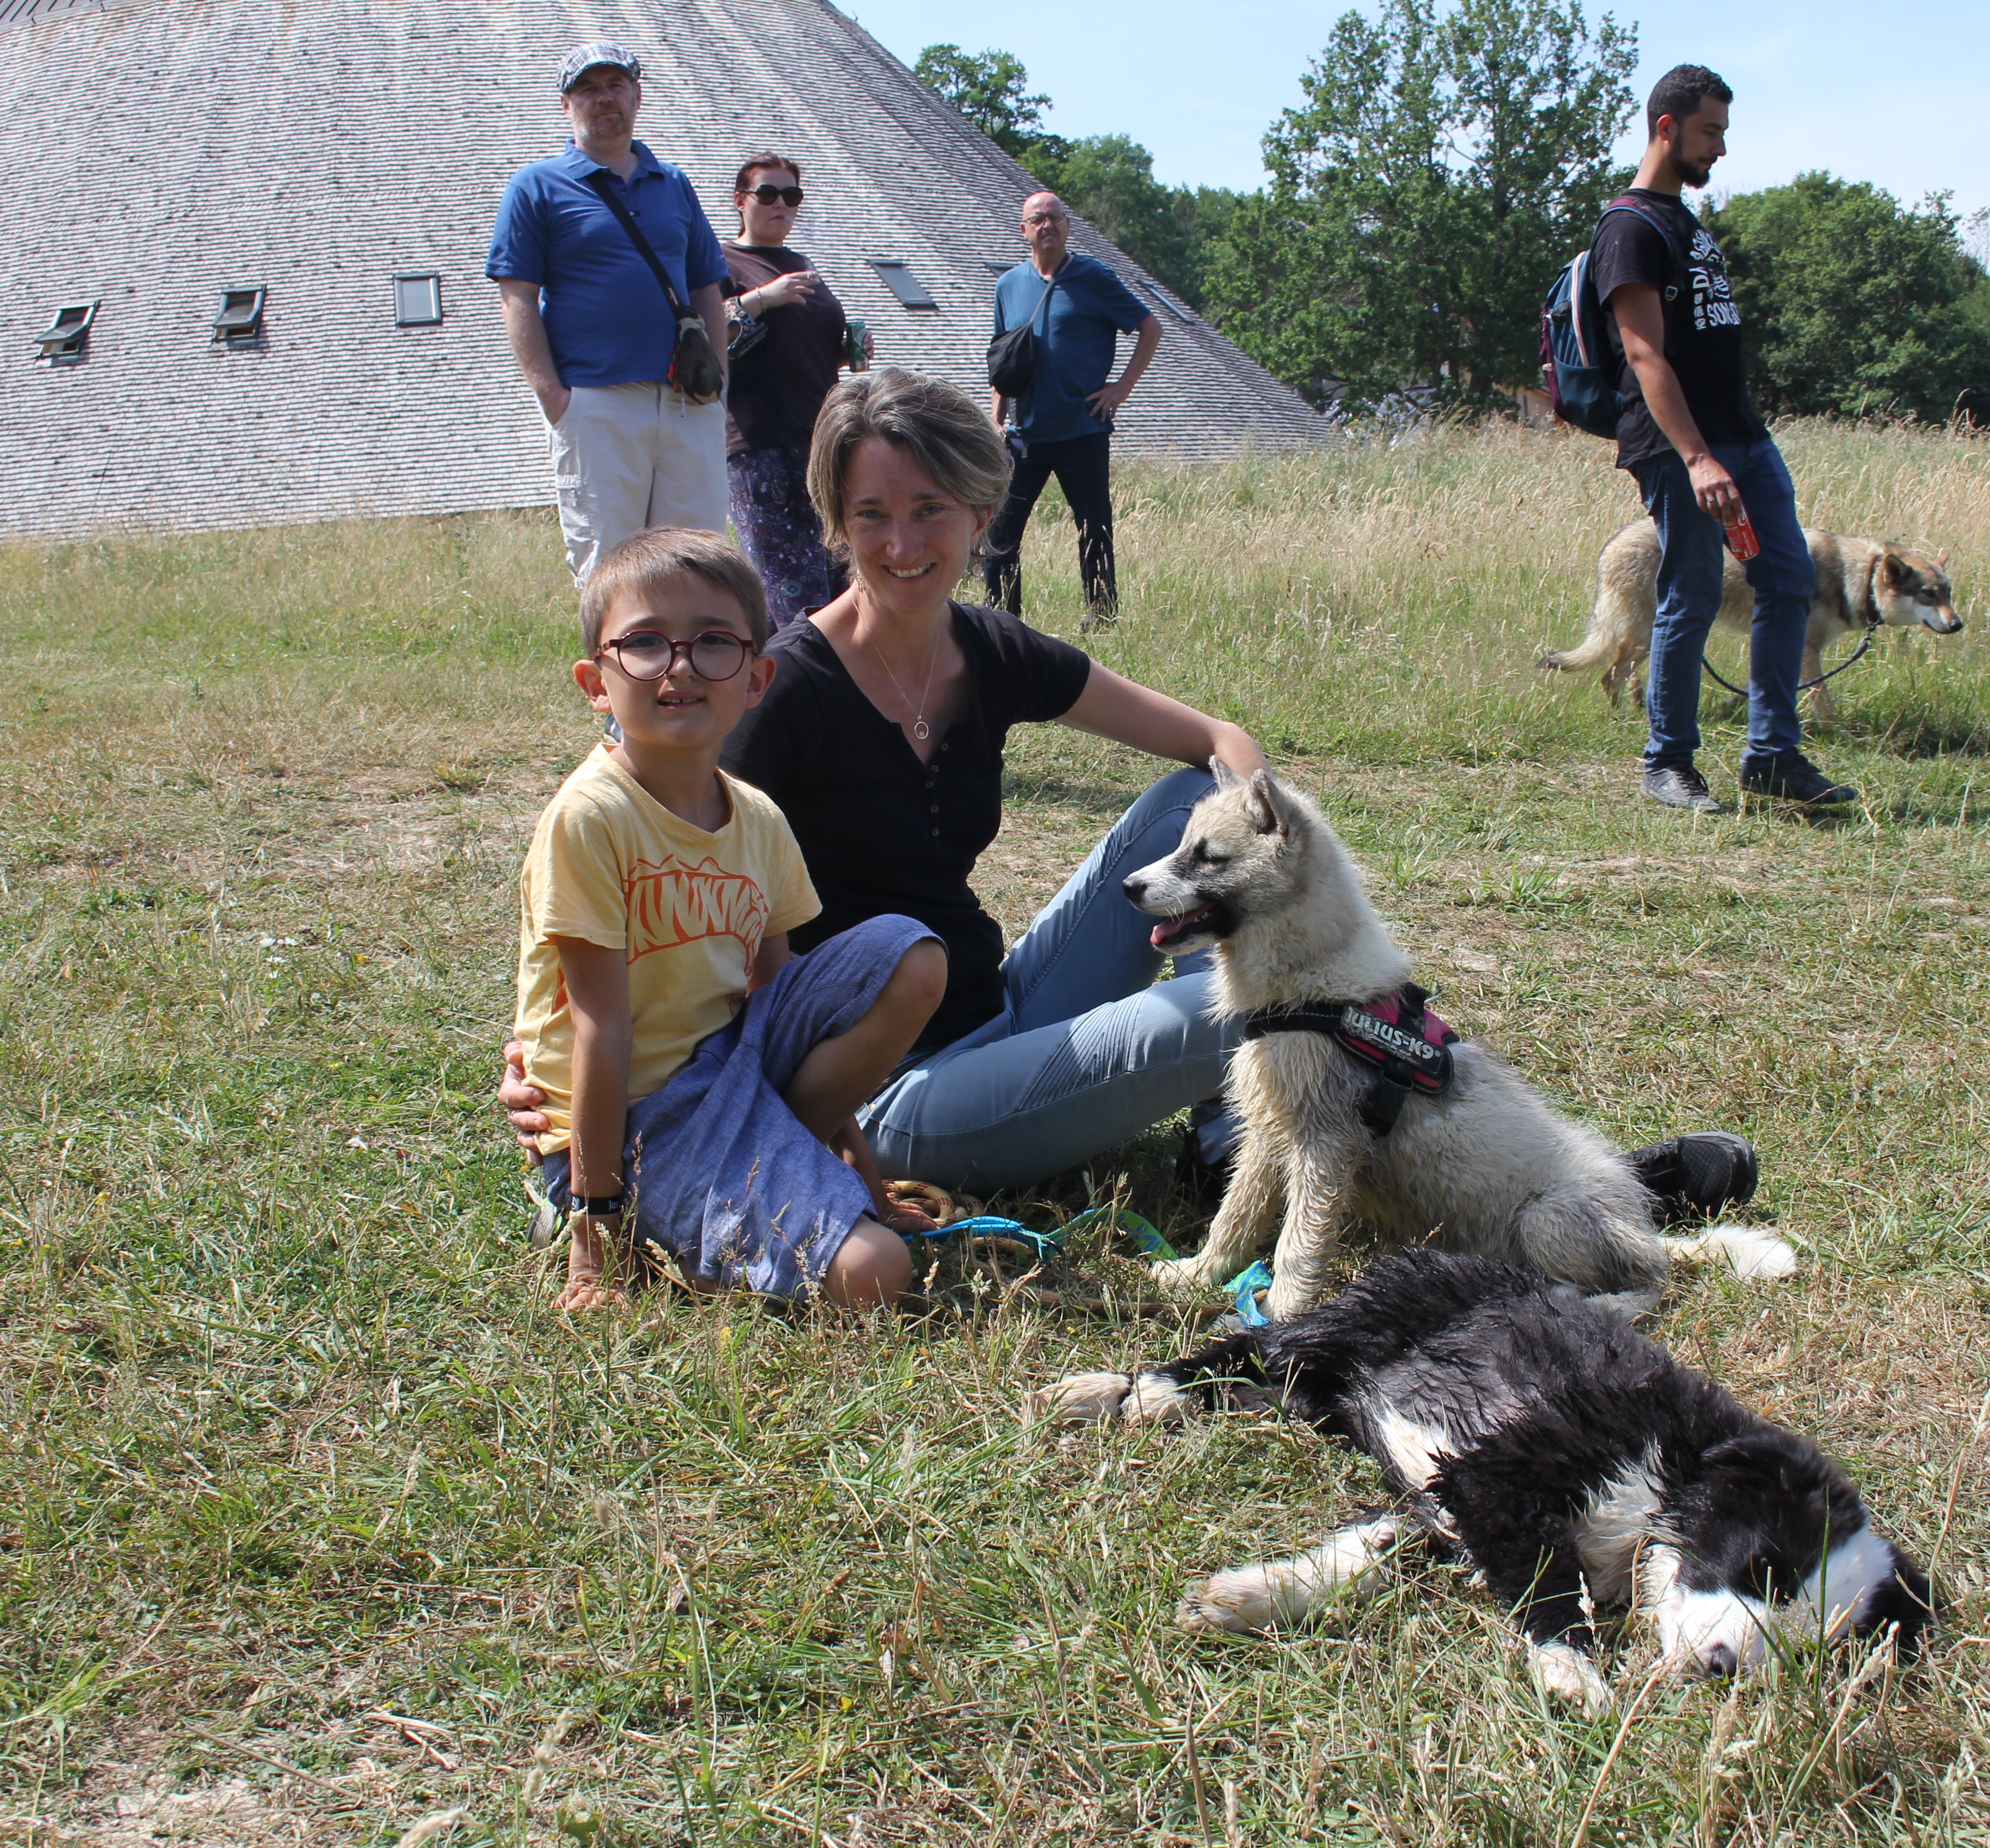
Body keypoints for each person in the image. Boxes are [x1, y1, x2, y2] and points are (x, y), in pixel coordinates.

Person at [502, 368, 1763, 1223]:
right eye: (871, 512)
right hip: (888, 1094)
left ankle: (1363, 1141)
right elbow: (665, 900)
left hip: (1000, 1004)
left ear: (979, 508)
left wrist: (1264, 838)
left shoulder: (987, 647)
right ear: (832, 519)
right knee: (1242, 1015)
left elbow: (1217, 743)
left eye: (928, 509)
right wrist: (557, 1077)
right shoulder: (784, 690)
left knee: (1189, 807)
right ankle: (1570, 1188)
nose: (901, 543)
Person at [514, 526, 945, 1311]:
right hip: (642, 1120)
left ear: (757, 677)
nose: (679, 666)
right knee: (875, 1273)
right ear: (595, 681)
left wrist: (861, 1166)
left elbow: (782, 1002)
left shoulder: (759, 820)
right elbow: (599, 1032)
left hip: (729, 1072)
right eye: (643, 644)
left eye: (714, 642)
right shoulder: (592, 818)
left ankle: (781, 1179)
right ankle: (623, 1216)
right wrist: (594, 1236)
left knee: (911, 953)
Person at [1598, 64, 1858, 811]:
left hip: (1744, 435)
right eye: (1710, 132)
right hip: (1684, 446)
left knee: (1788, 577)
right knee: (1693, 590)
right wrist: (1697, 455)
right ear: (1667, 128)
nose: (1720, 149)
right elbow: (1645, 355)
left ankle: (1773, 755)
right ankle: (1667, 764)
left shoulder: (1686, 222)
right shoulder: (1629, 227)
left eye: (1724, 132)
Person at [487, 42, 733, 589]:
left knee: (699, 562)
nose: (604, 100)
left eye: (615, 86)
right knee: (609, 568)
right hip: (596, 401)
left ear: (636, 96)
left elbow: (706, 286)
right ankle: (617, 675)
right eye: (589, 89)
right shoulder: (537, 186)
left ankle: (693, 672)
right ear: (566, 104)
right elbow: (517, 296)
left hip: (688, 401)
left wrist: (720, 381)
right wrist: (555, 399)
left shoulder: (674, 183)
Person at [981, 191, 1161, 623]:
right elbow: (1002, 358)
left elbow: (1149, 328)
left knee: (1093, 528)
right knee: (1001, 531)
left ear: (1068, 225)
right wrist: (995, 417)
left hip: (1084, 429)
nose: (1048, 226)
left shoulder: (1094, 277)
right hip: (1025, 433)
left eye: (1056, 218)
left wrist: (1120, 390)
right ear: (1024, 230)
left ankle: (1101, 615)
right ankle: (1003, 622)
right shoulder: (1008, 286)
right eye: (1038, 220)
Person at [721, 151, 853, 627]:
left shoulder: (801, 263)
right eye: (768, 194)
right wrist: (761, 299)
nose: (782, 205)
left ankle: (845, 687)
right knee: (790, 586)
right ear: (741, 200)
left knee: (838, 573)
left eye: (792, 196)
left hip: (821, 439)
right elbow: (705, 336)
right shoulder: (724, 262)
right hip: (762, 443)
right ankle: (797, 686)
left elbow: (798, 350)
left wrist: (845, 352)